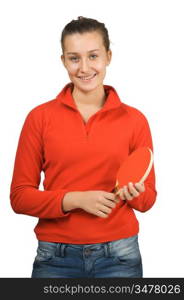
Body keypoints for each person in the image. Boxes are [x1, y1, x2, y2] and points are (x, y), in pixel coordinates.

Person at [10, 16, 157, 278]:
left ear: (108, 56)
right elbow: (20, 197)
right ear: (63, 61)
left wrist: (134, 192)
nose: (84, 67)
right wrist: (74, 200)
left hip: (119, 257)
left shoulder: (135, 120)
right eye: (74, 58)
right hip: (55, 257)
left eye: (93, 56)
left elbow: (147, 201)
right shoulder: (39, 118)